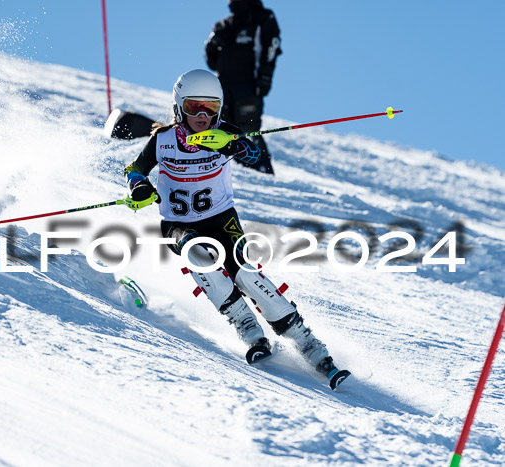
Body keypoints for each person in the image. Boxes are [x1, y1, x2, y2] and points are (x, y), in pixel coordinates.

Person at [123, 69, 350, 389]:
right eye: (193, 107)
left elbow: (254, 152)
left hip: (221, 219)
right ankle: (247, 328)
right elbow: (135, 170)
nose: (203, 115)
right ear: (178, 107)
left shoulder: (224, 133)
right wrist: (138, 188)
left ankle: (307, 342)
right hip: (177, 223)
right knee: (199, 255)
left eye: (210, 107)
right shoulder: (161, 141)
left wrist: (235, 146)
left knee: (245, 275)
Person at [204, 0, 281, 174]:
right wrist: (213, 44)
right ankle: (226, 173)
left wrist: (265, 77)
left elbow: (272, 46)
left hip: (248, 85)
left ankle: (262, 172)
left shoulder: (262, 18)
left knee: (248, 129)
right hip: (223, 87)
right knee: (222, 129)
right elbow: (212, 61)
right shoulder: (225, 24)